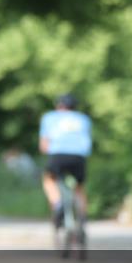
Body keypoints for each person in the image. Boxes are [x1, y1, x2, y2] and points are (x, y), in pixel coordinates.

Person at [39, 93, 93, 229]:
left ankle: (58, 204)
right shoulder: (84, 119)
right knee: (79, 188)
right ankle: (82, 217)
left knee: (49, 180)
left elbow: (44, 146)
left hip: (57, 155)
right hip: (78, 157)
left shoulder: (50, 117)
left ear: (59, 105)